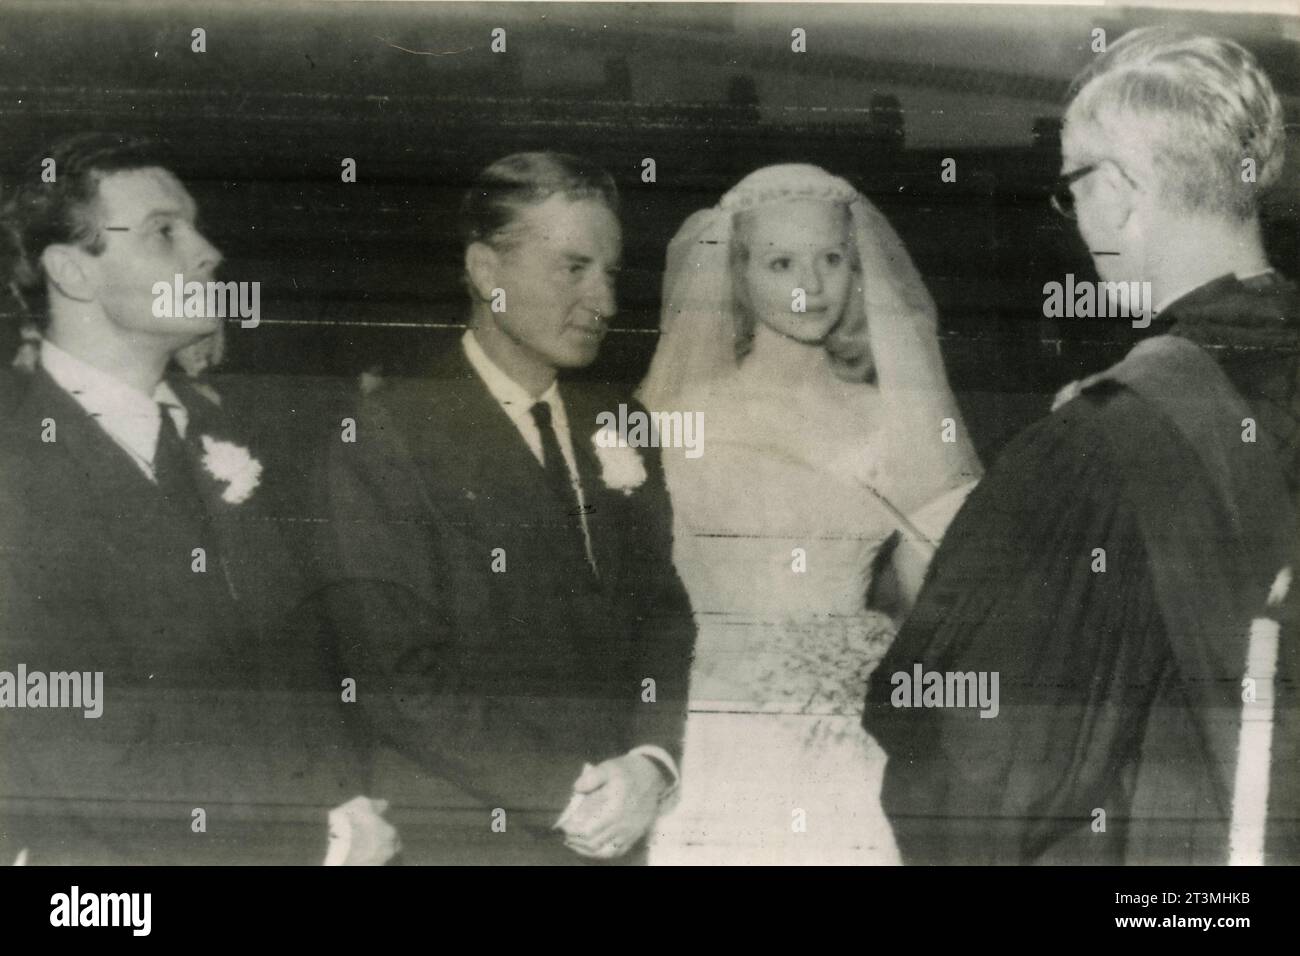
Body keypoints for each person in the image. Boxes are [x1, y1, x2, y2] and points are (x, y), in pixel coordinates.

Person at [864, 27, 1300, 865]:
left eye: (1073, 189)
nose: (1073, 219)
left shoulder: (1101, 445)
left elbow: (977, 783)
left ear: (1123, 190)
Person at [0, 133, 397, 865]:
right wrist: (312, 837)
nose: (208, 251)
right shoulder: (16, 470)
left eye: (196, 225)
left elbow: (315, 668)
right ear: (71, 272)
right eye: (163, 233)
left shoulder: (234, 438)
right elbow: (78, 743)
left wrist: (347, 803)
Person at [319, 152, 695, 864]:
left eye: (610, 274)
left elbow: (661, 612)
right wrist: (565, 791)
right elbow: (397, 680)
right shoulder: (389, 434)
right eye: (573, 268)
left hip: (622, 830)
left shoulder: (622, 419)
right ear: (487, 273)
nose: (605, 303)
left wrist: (650, 762)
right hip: (467, 839)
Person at [639, 163, 980, 864]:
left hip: (843, 739)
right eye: (781, 262)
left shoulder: (892, 421)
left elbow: (947, 598)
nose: (811, 285)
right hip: (712, 733)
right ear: (738, 271)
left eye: (831, 258)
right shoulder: (676, 418)